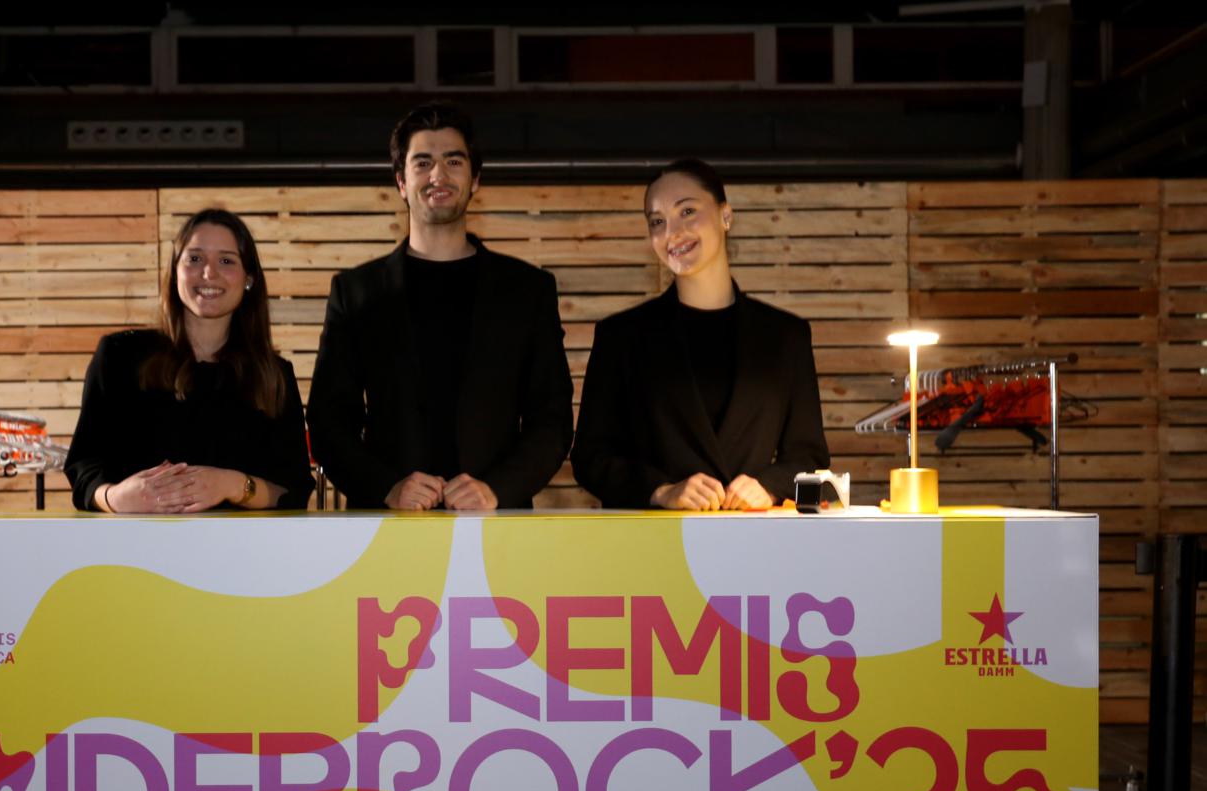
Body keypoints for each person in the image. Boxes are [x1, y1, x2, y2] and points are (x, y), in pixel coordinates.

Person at [306, 102, 573, 510]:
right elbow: (329, 423)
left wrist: (496, 489)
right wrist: (387, 487)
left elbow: (552, 421)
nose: (438, 175)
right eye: (423, 163)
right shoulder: (356, 293)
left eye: (453, 161)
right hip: (387, 526)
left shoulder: (528, 290)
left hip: (496, 525)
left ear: (475, 178)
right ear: (401, 182)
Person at [571, 159, 830, 511]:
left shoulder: (786, 337)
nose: (672, 232)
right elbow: (591, 457)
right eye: (657, 221)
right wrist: (661, 490)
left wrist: (769, 486)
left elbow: (809, 456)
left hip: (756, 537)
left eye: (687, 211)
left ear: (726, 216)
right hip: (655, 539)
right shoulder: (621, 337)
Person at [64, 208, 313, 513]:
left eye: (226, 261)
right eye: (194, 259)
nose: (208, 273)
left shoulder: (274, 375)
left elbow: (294, 490)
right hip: (133, 543)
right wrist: (116, 498)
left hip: (241, 544)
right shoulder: (118, 356)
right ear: (175, 272)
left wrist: (233, 485)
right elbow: (84, 467)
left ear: (249, 279)